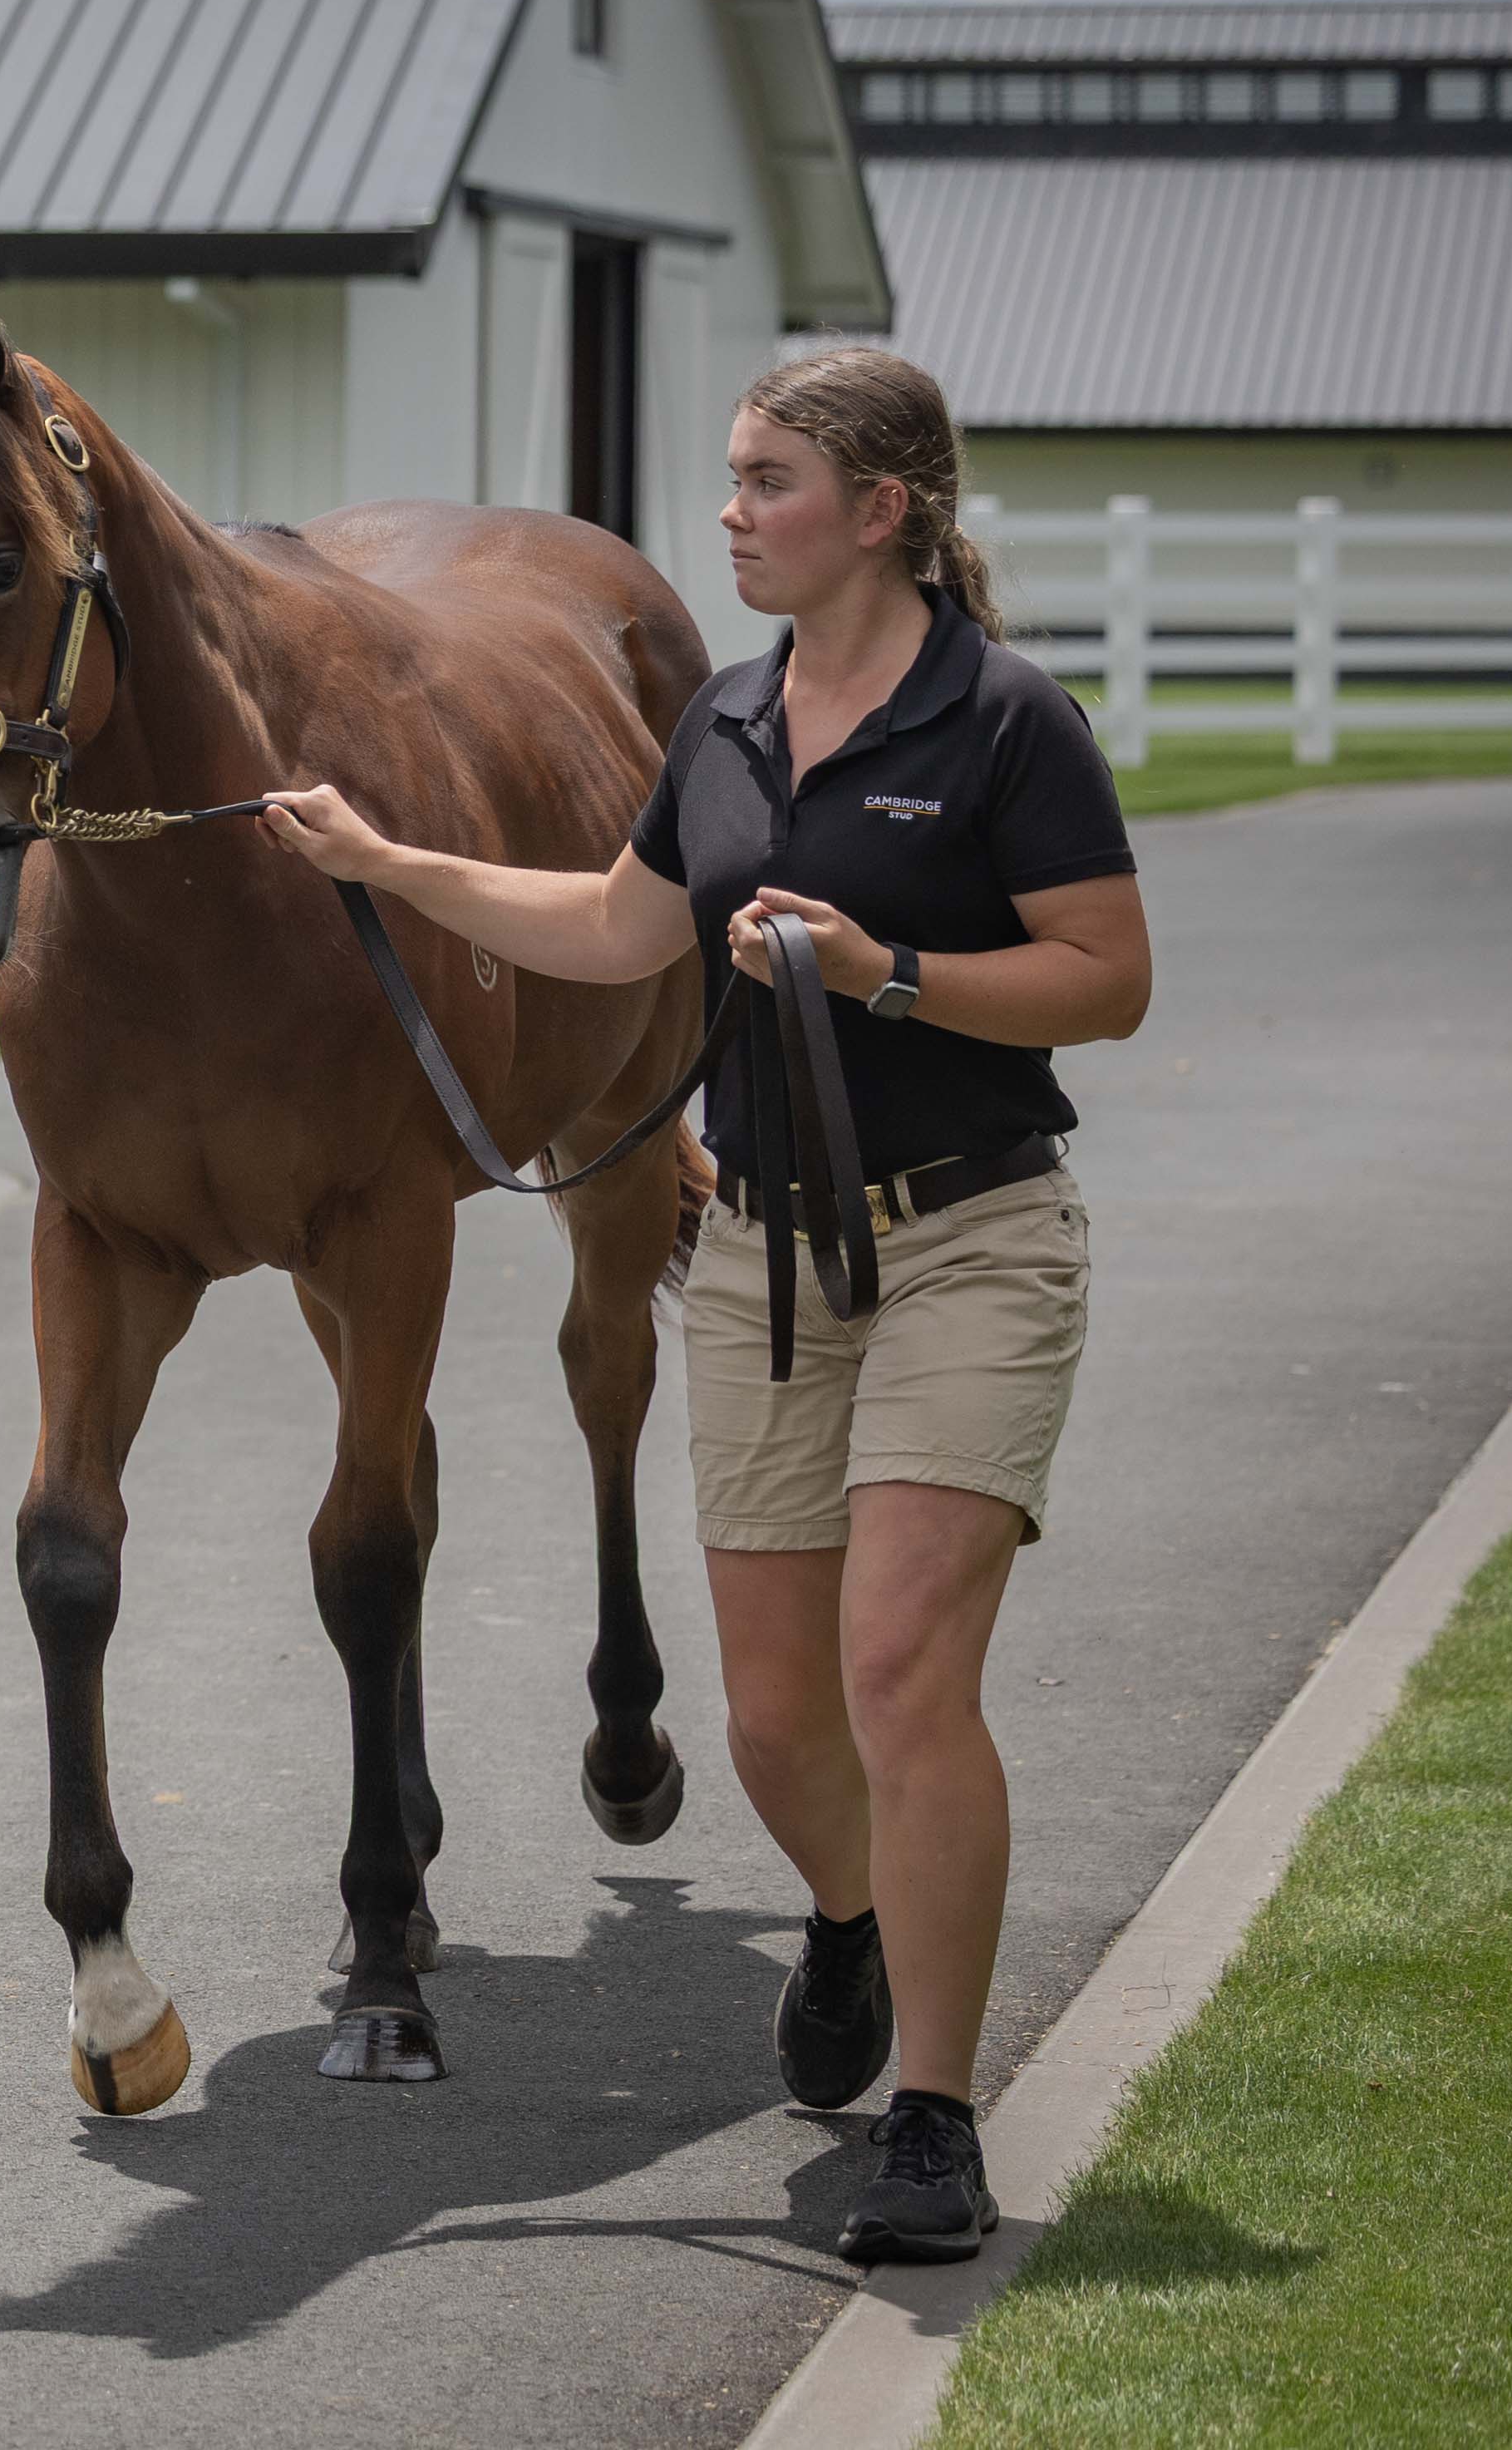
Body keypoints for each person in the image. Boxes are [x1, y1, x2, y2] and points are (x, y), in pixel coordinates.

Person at [254, 345, 1150, 2267]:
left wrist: (877, 968)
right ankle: (845, 1912)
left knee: (900, 1668)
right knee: (764, 1721)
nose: (726, 513)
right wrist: (377, 858)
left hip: (971, 1239)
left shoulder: (1002, 723)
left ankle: (927, 2108)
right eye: (730, 478)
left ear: (876, 512)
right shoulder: (727, 724)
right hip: (759, 1259)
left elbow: (1102, 979)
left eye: (762, 483)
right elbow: (605, 924)